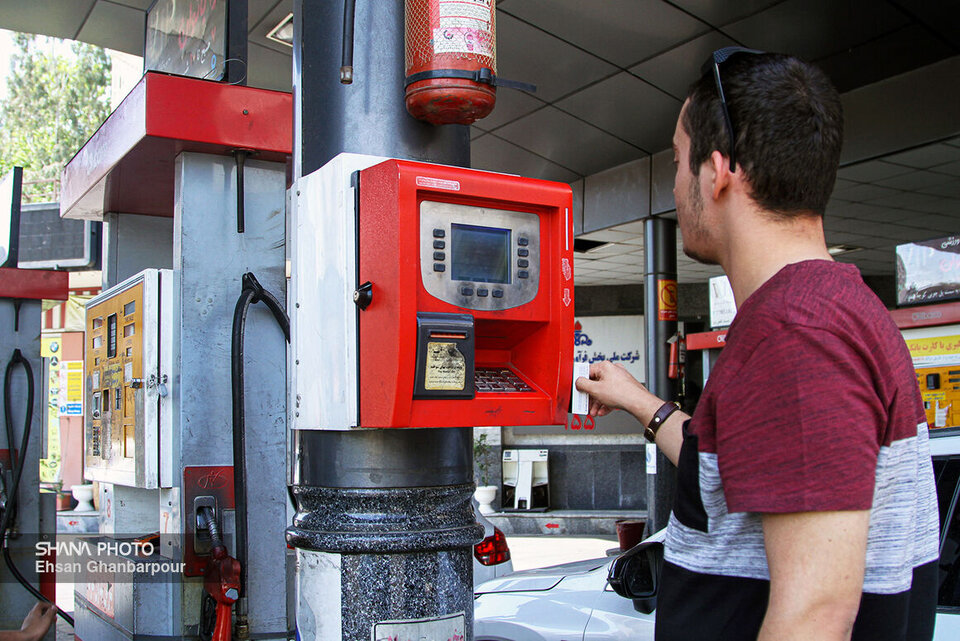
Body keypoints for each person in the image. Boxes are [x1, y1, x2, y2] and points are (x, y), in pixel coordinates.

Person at [576, 48, 939, 641]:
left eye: (676, 160)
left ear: (719, 171)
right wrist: (641, 402)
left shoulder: (795, 335)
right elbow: (729, 481)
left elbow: (814, 614)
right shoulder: (831, 309)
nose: (673, 183)